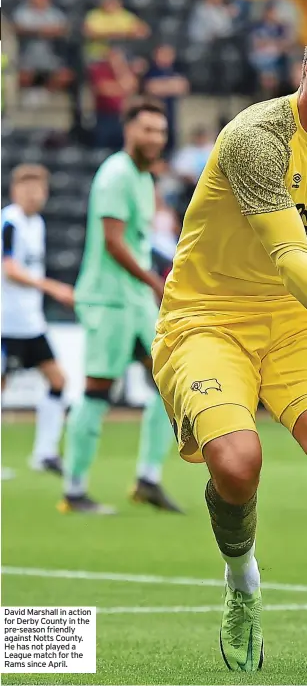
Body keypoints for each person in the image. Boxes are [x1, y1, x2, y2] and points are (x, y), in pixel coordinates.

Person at [152, 48, 307, 671]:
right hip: (211, 318)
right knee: (238, 463)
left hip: (295, 324)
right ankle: (242, 580)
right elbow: (289, 255)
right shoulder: (257, 137)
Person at [59, 97, 182, 515]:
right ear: (129, 130)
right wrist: (154, 282)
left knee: (169, 384)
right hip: (108, 299)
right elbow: (113, 242)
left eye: (160, 131)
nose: (155, 137)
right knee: (97, 392)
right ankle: (74, 491)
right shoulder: (115, 173)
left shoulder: (145, 180)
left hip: (133, 299)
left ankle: (148, 479)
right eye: (147, 129)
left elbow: (139, 242)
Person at [2, 164, 74, 476]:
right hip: (6, 324)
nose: (34, 195)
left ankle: (44, 453)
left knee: (58, 381)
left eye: (39, 189)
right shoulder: (10, 223)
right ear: (15, 191)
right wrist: (52, 287)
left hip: (31, 323)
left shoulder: (38, 224)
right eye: (27, 189)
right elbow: (11, 269)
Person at [12, 0, 73, 93]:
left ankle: (50, 98)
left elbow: (63, 29)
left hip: (52, 57)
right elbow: (18, 28)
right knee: (21, 76)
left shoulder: (55, 13)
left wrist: (49, 32)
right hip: (27, 57)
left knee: (65, 76)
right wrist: (40, 32)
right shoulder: (22, 12)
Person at [88, 48, 137, 150]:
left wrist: (120, 70)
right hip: (104, 115)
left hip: (122, 116)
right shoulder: (99, 71)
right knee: (102, 147)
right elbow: (103, 89)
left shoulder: (125, 70)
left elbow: (132, 85)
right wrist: (121, 87)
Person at [144, 45, 189, 153]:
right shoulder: (151, 71)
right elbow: (151, 87)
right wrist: (171, 85)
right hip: (154, 115)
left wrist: (163, 86)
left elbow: (183, 86)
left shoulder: (174, 70)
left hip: (171, 117)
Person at [84, 0, 150, 63]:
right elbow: (87, 33)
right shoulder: (94, 15)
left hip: (125, 51)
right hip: (99, 52)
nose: (111, 3)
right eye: (108, 0)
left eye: (113, 0)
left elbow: (143, 32)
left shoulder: (126, 15)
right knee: (115, 57)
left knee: (140, 64)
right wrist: (111, 36)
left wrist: (127, 35)